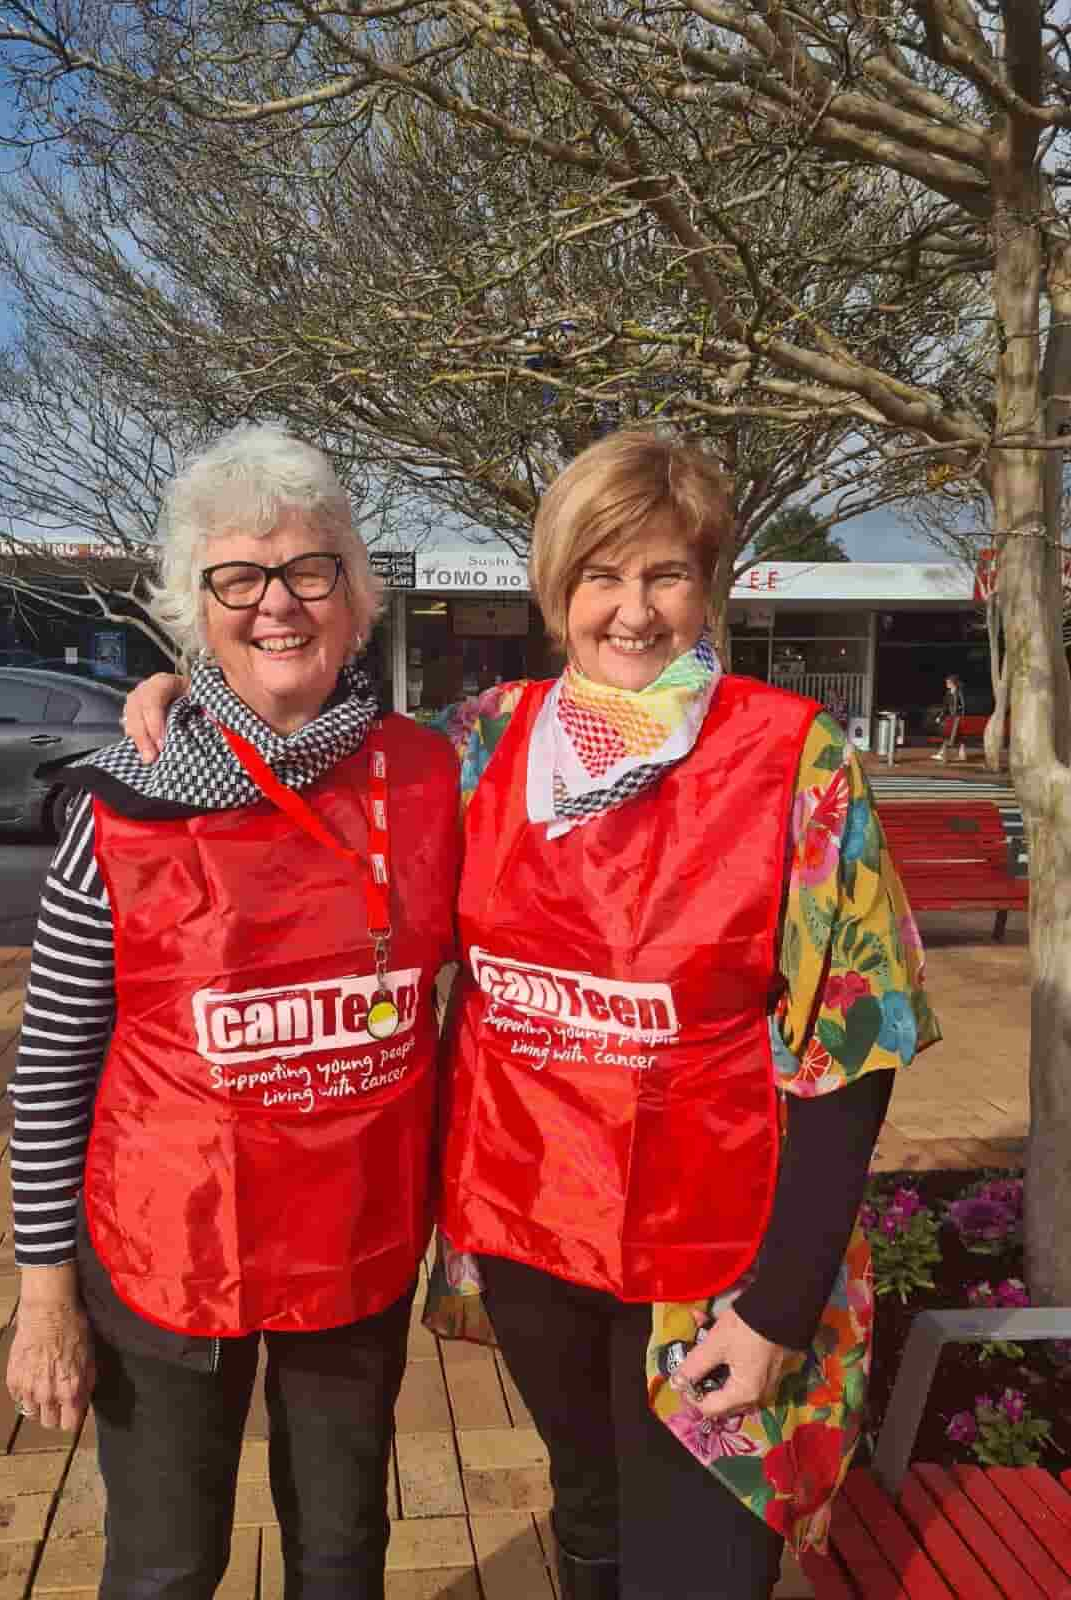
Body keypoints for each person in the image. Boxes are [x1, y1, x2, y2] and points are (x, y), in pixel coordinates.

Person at [125, 430, 940, 1600]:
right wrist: (187, 696)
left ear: (706, 583)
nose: (632, 610)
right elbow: (306, 754)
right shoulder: (479, 744)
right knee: (593, 1517)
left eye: (664, 574)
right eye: (600, 576)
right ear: (557, 591)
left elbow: (853, 1050)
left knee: (698, 1562)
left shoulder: (793, 758)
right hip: (531, 1237)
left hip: (712, 1256)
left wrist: (778, 1303)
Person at [7, 424, 461, 1600]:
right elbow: (52, 1066)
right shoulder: (119, 803)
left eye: (311, 571)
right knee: (163, 1567)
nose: (279, 605)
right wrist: (43, 1295)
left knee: (343, 1557)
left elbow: (609, 711)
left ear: (356, 598)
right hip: (166, 1251)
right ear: (192, 608)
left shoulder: (438, 775)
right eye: (239, 579)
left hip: (355, 1244)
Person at [933, 673, 966, 761]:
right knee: (956, 736)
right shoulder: (948, 693)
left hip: (957, 718)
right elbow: (945, 707)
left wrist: (961, 716)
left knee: (948, 735)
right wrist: (940, 716)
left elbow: (963, 705)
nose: (946, 684)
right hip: (952, 718)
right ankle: (962, 755)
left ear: (953, 683)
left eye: (948, 682)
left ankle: (942, 753)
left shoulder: (959, 692)